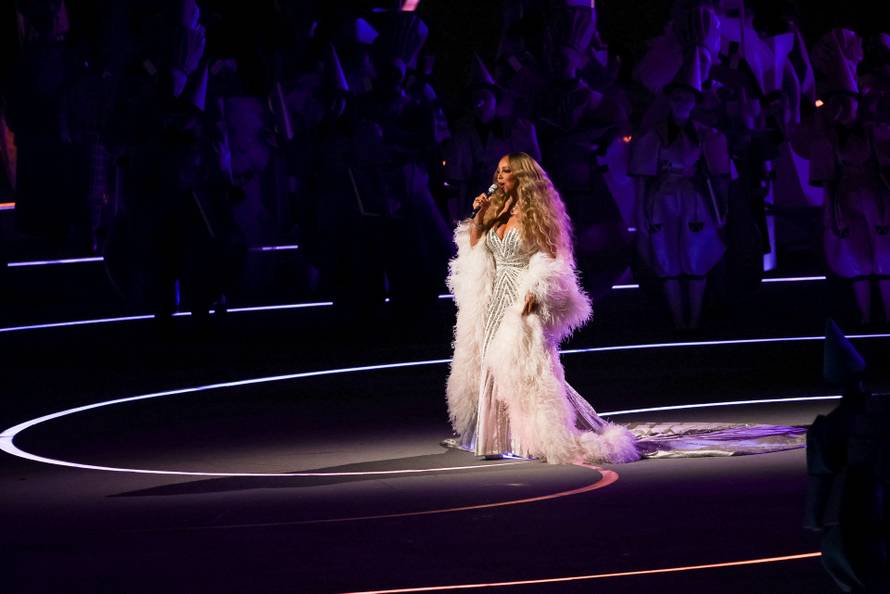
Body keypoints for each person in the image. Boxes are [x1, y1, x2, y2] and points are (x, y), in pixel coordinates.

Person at [444, 152, 639, 464]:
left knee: (520, 364)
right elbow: (474, 245)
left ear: (522, 176)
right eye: (497, 170)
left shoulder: (537, 214)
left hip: (521, 295)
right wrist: (479, 216)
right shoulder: (496, 208)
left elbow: (552, 259)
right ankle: (490, 435)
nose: (499, 176)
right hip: (494, 295)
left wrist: (537, 287)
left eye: (506, 171)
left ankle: (525, 437)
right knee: (486, 358)